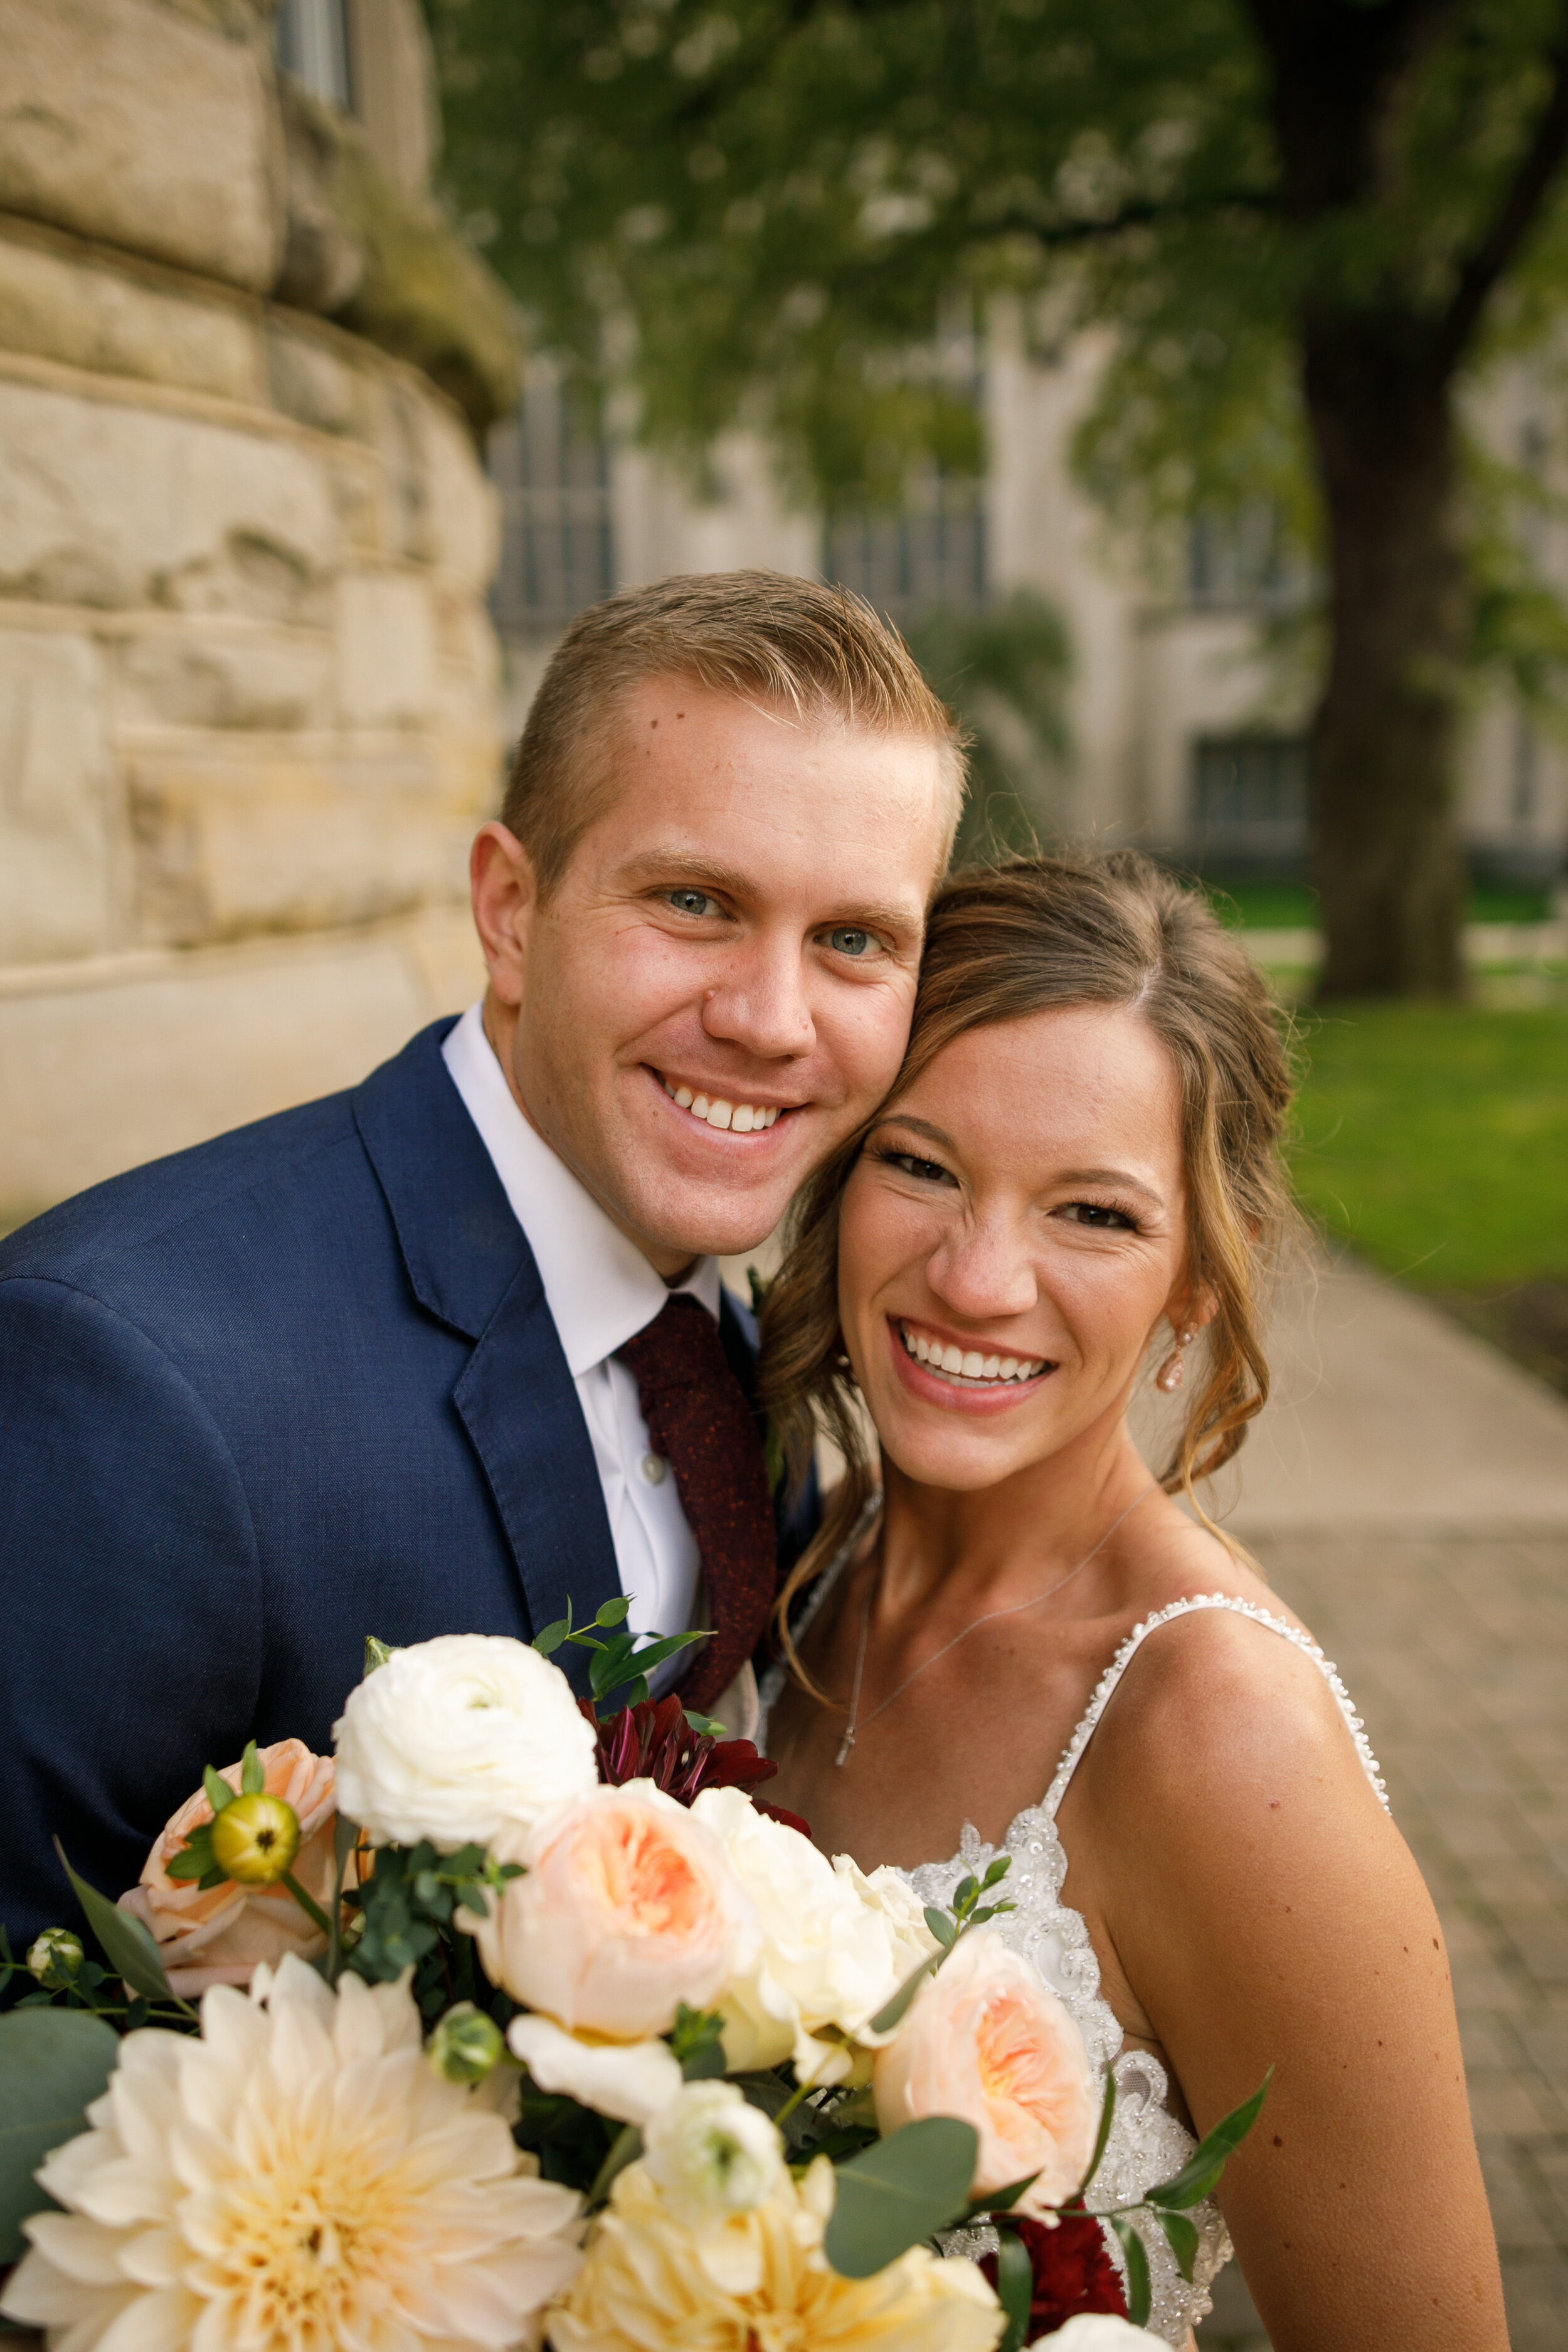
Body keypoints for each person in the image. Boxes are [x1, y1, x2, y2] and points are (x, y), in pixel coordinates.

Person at [0, 571, 962, 1951]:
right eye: (694, 901)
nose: (770, 1020)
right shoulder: (130, 1380)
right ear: (511, 910)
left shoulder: (741, 1361)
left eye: (854, 941)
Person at [756, 855, 1508, 2351]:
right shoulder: (809, 1553)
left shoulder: (1222, 1742)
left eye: (1090, 1215)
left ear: (1189, 1284)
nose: (975, 1280)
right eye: (919, 1166)